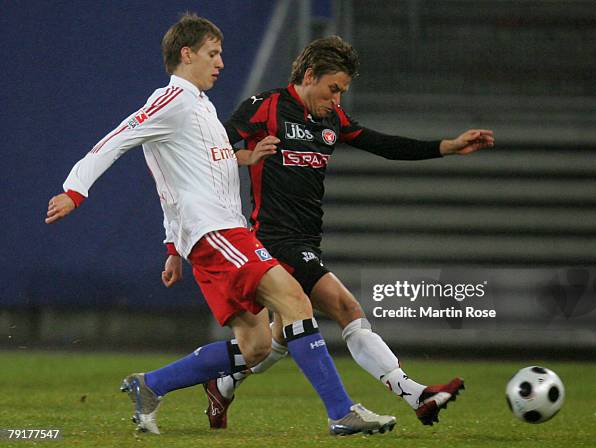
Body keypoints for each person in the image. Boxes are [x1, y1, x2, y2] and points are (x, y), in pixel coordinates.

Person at [45, 16, 397, 437]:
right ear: (186, 54)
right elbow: (117, 138)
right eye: (213, 54)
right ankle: (341, 412)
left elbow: (175, 179)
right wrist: (74, 189)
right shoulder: (171, 99)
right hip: (217, 233)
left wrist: (174, 244)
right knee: (296, 301)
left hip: (215, 235)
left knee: (257, 346)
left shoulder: (201, 107)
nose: (221, 63)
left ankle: (150, 386)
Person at [178, 35, 494, 429]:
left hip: (307, 239)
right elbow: (210, 153)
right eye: (333, 89)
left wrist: (446, 146)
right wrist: (245, 157)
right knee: (346, 308)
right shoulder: (266, 108)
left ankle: (222, 382)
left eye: (342, 91)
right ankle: (415, 394)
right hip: (272, 239)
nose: (337, 99)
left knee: (273, 343)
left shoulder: (332, 119)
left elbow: (383, 144)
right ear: (309, 76)